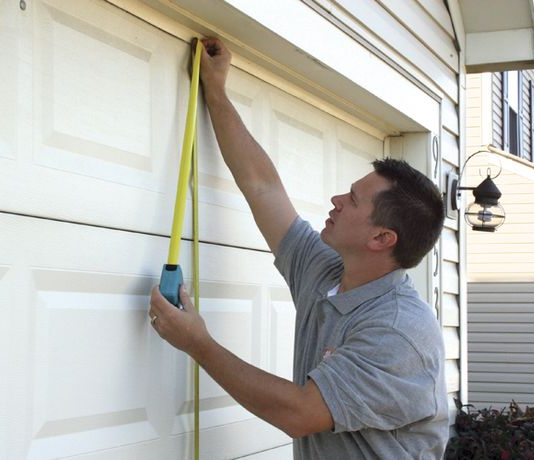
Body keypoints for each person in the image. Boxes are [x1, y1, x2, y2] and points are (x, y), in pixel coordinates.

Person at [148, 37, 449, 459]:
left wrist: (197, 342)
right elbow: (262, 185)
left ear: (381, 239)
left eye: (353, 201)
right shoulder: (327, 274)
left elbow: (301, 412)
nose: (336, 201)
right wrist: (215, 92)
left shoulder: (398, 331)